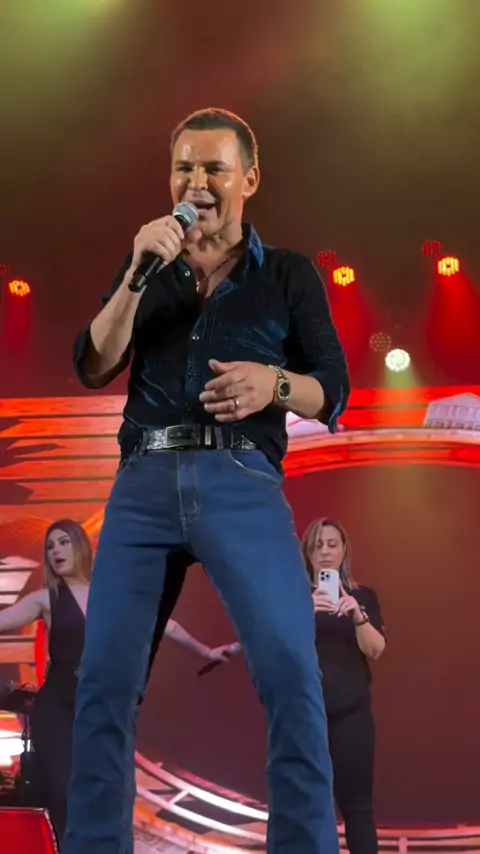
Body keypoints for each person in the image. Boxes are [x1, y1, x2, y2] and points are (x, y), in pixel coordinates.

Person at [65, 107, 350, 854]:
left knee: (290, 672)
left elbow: (333, 387)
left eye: (213, 168)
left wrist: (272, 384)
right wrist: (136, 274)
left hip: (240, 478)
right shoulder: (148, 266)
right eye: (183, 167)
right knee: (103, 684)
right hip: (143, 482)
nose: (196, 181)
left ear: (248, 179)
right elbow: (93, 363)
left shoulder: (286, 274)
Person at [0, 520, 236, 846]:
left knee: (107, 795)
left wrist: (206, 651)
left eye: (64, 542)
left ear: (81, 547)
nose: (56, 551)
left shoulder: (112, 596)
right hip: (56, 709)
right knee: (64, 796)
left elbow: (163, 625)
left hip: (99, 708)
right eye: (50, 546)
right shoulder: (45, 599)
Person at [302, 518, 386, 854]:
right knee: (306, 805)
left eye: (332, 544)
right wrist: (302, 612)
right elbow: (274, 646)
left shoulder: (362, 596)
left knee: (358, 808)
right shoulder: (293, 597)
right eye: (318, 545)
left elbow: (375, 649)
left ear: (344, 550)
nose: (325, 552)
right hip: (305, 714)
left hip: (352, 714)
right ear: (308, 552)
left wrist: (357, 616)